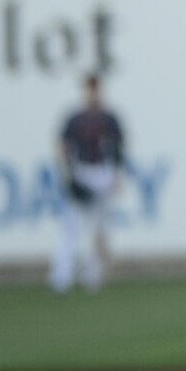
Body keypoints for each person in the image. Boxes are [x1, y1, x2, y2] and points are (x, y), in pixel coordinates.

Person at [52, 74, 128, 294]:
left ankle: (92, 278)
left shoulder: (108, 118)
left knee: (98, 229)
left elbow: (119, 148)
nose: (92, 92)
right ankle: (61, 278)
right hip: (81, 171)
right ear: (84, 91)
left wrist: (116, 175)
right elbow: (62, 147)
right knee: (70, 227)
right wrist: (67, 175)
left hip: (102, 173)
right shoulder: (76, 118)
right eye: (89, 88)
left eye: (95, 88)